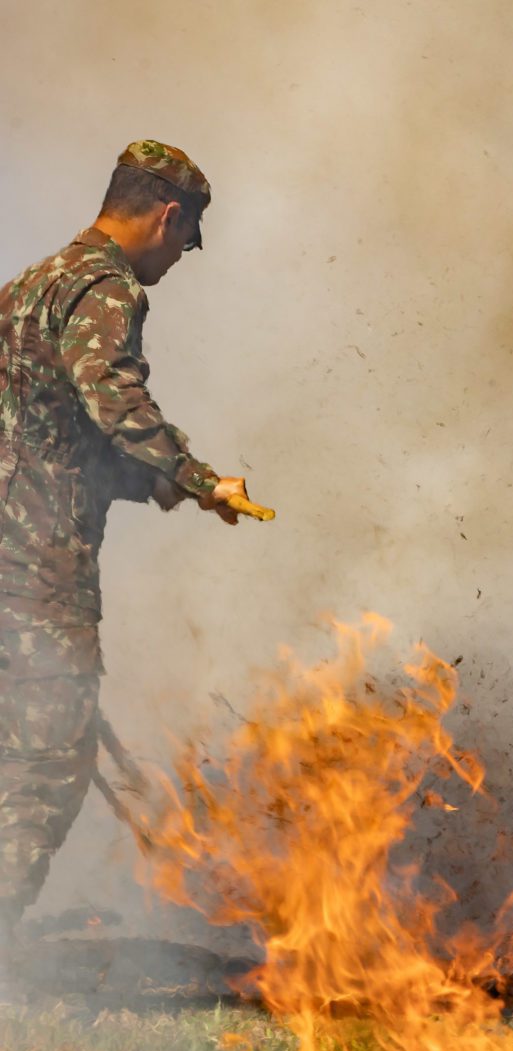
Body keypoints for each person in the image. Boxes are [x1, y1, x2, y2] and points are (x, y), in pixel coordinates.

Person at [0, 141, 258, 948]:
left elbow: (60, 435)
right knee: (49, 757)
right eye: (188, 241)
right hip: (37, 569)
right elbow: (112, 399)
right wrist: (198, 473)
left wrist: (169, 485)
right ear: (167, 216)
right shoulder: (106, 289)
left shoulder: (30, 286)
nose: (183, 258)